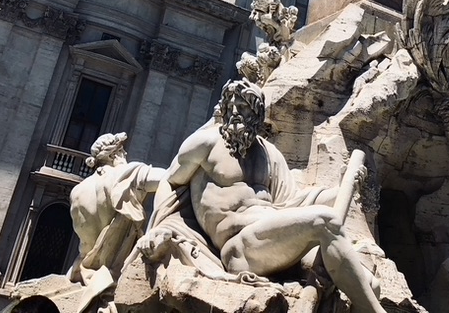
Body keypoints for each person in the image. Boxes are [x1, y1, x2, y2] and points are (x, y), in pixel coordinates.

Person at [149, 79, 384, 313]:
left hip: (273, 238)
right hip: (238, 247)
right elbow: (169, 182)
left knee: (369, 283)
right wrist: (160, 227)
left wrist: (346, 186)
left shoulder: (269, 154)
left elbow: (291, 203)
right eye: (230, 106)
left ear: (257, 114)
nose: (235, 113)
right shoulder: (206, 143)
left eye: (243, 108)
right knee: (325, 221)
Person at [69, 132, 164, 284]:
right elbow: (169, 178)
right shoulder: (127, 174)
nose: (125, 153)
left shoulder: (77, 191)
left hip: (83, 273)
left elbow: (85, 241)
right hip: (116, 276)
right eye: (122, 149)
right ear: (115, 154)